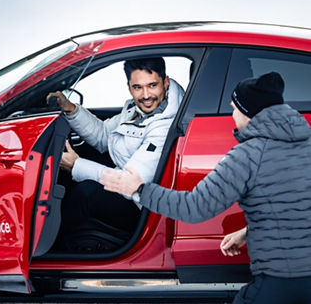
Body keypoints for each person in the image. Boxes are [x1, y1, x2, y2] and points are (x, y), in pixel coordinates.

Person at [101, 71, 311, 303]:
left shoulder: (247, 155)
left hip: (281, 281)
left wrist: (139, 189)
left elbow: (194, 208)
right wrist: (248, 232)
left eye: (234, 108)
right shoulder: (307, 142)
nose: (232, 115)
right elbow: (294, 204)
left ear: (248, 113)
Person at [48, 57, 185, 251]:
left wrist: (76, 166)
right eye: (138, 87)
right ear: (129, 87)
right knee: (68, 181)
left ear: (166, 82)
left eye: (152, 85)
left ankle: (55, 252)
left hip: (142, 207)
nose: (146, 95)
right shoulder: (135, 109)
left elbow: (131, 182)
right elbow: (105, 136)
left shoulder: (165, 124)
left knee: (84, 194)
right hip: (127, 190)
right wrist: (71, 109)